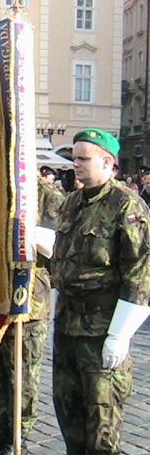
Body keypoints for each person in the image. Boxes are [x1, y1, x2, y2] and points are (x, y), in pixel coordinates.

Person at [51, 128, 150, 455]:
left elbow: (140, 274)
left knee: (102, 424)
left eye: (83, 159)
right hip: (67, 327)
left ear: (108, 163)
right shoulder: (71, 203)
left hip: (101, 330)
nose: (75, 165)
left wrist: (119, 335)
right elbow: (62, 258)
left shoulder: (127, 206)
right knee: (69, 414)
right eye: (74, 158)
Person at [0, 168, 63, 455]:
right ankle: (2, 430)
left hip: (29, 300)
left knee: (21, 373)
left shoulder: (48, 196)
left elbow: (60, 247)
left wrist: (30, 236)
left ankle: (18, 437)